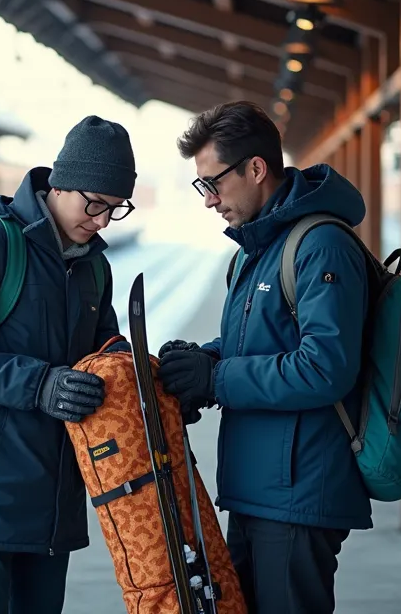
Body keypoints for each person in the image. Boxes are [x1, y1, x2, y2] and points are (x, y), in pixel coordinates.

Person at [156, 101, 373, 614]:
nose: (209, 200)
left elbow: (324, 368)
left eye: (213, 183)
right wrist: (198, 365)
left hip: (299, 490)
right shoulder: (255, 251)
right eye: (200, 186)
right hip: (259, 484)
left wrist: (217, 379)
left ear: (256, 169)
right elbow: (255, 346)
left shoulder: (320, 246)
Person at [0, 115, 137, 614]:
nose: (102, 221)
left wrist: (142, 373)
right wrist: (40, 384)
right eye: (95, 204)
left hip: (54, 496)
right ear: (61, 183)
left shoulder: (92, 266)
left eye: (114, 209)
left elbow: (103, 351)